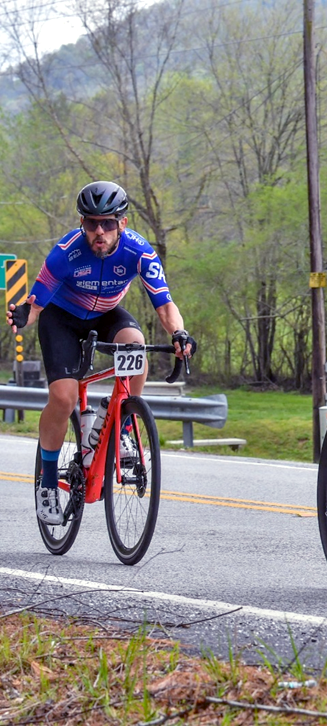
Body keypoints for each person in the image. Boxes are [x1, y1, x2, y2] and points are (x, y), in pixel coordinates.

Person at [5, 181, 196, 525]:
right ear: (82, 223)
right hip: (61, 319)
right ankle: (48, 482)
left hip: (107, 314)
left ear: (122, 223)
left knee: (136, 347)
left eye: (107, 223)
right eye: (91, 222)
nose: (99, 231)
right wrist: (23, 314)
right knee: (63, 399)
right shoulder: (65, 253)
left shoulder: (139, 251)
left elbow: (165, 306)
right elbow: (35, 305)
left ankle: (120, 427)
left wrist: (180, 333)